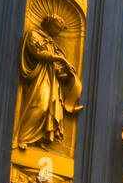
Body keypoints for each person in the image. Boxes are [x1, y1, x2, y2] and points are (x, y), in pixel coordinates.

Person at [16, 14, 82, 149]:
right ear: (48, 23)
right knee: (40, 105)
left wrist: (67, 73)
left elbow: (58, 71)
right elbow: (39, 53)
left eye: (60, 29)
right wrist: (62, 60)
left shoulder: (54, 46)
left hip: (53, 81)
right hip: (40, 77)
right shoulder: (34, 35)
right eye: (57, 27)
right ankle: (23, 137)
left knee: (48, 108)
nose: (58, 31)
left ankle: (42, 137)